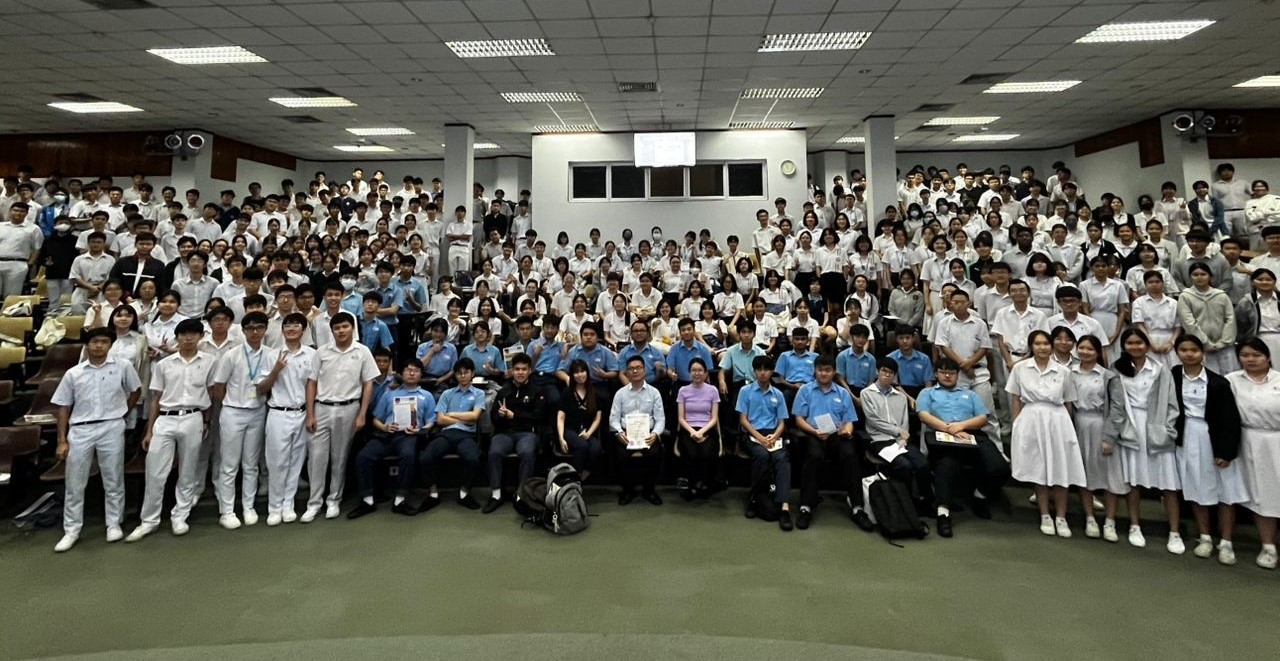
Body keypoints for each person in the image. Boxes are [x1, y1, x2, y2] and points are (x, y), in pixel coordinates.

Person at [50, 328, 142, 552]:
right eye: (94, 342)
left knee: (113, 478)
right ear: (87, 346)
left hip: (111, 426)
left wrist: (122, 412)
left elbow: (136, 391)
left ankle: (114, 524)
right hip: (80, 429)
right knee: (75, 482)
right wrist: (62, 440)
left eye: (104, 342)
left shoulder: (123, 366)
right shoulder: (74, 373)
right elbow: (63, 407)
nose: (99, 346)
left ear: (110, 345)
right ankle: (71, 530)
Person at [126, 319, 217, 542]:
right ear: (177, 337)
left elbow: (211, 393)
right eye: (183, 334)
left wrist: (206, 422)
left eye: (193, 334)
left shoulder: (209, 361)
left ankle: (180, 516)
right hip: (165, 420)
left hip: (194, 417)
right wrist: (149, 431)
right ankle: (149, 520)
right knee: (155, 472)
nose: (188, 338)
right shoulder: (164, 364)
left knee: (188, 471)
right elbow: (156, 399)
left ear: (200, 337)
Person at [1172, 334, 1248, 565]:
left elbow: (1230, 420)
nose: (1189, 354)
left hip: (1213, 438)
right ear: (1177, 353)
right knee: (1197, 489)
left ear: (1202, 353)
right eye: (1183, 350)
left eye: (1194, 350)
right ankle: (1204, 537)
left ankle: (1226, 542)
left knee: (1225, 491)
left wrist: (1225, 451)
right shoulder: (1174, 376)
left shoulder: (1218, 382)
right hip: (1187, 437)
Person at [1105, 329, 1182, 552]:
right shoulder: (1117, 370)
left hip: (1156, 426)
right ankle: (1134, 526)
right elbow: (1116, 405)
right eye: (1130, 343)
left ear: (1146, 345)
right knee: (1134, 481)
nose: (1135, 347)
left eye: (1139, 343)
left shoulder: (1160, 370)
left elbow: (1171, 402)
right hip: (1131, 428)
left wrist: (1168, 429)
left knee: (1169, 485)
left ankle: (1174, 532)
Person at [917, 357, 1011, 539]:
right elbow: (923, 415)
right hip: (942, 435)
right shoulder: (928, 393)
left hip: (971, 434)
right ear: (936, 374)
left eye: (951, 373)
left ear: (957, 375)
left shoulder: (970, 394)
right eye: (943, 372)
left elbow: (983, 418)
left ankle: (979, 496)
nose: (947, 375)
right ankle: (943, 513)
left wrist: (961, 426)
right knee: (947, 465)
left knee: (1000, 468)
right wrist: (949, 428)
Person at [1007, 330, 1086, 538]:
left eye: (1046, 343)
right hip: (1031, 418)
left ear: (1051, 346)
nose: (1042, 347)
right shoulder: (1020, 369)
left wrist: (1066, 426)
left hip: (1057, 420)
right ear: (1031, 346)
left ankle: (1061, 516)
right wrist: (1016, 425)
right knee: (1039, 469)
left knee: (1061, 470)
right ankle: (1045, 515)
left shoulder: (1063, 372)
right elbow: (1016, 399)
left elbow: (1068, 401)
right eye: (1037, 343)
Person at [303, 313, 379, 523]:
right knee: (317, 458)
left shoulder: (362, 351)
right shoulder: (321, 352)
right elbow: (311, 383)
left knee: (340, 458)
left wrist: (362, 414)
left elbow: (368, 383)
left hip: (349, 409)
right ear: (332, 330)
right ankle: (314, 503)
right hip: (322, 408)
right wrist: (310, 413)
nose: (341, 331)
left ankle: (333, 500)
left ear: (352, 328)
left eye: (345, 327)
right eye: (337, 328)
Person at [791, 355, 871, 531]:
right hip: (813, 433)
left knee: (850, 456)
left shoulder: (842, 393)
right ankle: (806, 507)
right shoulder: (805, 390)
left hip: (836, 434)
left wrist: (847, 430)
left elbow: (849, 420)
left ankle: (858, 508)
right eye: (820, 369)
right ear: (815, 370)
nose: (824, 373)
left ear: (834, 372)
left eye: (827, 370)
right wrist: (814, 431)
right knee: (814, 456)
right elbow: (799, 419)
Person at [349, 358, 436, 518]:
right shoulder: (390, 394)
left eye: (416, 371)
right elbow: (376, 419)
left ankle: (399, 500)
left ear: (421, 374)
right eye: (408, 370)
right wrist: (385, 427)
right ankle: (367, 501)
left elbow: (431, 421)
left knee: (408, 455)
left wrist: (420, 429)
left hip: (410, 435)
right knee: (363, 456)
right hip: (386, 434)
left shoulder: (427, 396)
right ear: (401, 373)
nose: (411, 373)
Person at [210, 312, 272, 530]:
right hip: (233, 412)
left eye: (259, 328)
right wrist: (230, 403)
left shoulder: (271, 355)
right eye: (250, 328)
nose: (255, 332)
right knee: (229, 464)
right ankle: (226, 510)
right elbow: (218, 386)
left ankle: (248, 506)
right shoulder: (232, 355)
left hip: (257, 412)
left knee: (251, 464)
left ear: (265, 330)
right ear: (243, 331)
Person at [1226, 338, 1280, 569]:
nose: (1250, 359)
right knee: (1262, 495)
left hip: (1276, 437)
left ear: (1268, 357)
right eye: (1245, 355)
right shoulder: (1231, 381)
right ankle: (1268, 546)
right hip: (1248, 442)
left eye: (1256, 355)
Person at [257, 312, 314, 525]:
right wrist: (276, 370)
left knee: (296, 461)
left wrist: (310, 415)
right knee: (276, 462)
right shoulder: (272, 355)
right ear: (282, 330)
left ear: (303, 330)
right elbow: (261, 389)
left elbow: (312, 386)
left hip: (301, 414)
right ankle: (274, 507)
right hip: (278, 413)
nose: (291, 329)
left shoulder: (310, 355)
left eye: (296, 325)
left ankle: (288, 504)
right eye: (287, 325)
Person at [1069, 335, 1124, 541]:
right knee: (1084, 473)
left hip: (1101, 424)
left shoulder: (1108, 376)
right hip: (1079, 425)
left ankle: (1110, 521)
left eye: (1090, 349)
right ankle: (1090, 517)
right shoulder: (1069, 374)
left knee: (1110, 475)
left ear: (1098, 352)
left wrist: (1109, 436)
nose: (1085, 352)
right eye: (1081, 348)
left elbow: (1117, 408)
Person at [861, 357, 933, 509]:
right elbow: (874, 421)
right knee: (904, 466)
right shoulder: (866, 393)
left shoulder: (900, 396)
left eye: (891, 373)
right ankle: (906, 504)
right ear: (877, 372)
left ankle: (926, 502)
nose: (887, 375)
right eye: (884, 371)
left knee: (923, 464)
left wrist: (903, 437)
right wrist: (898, 431)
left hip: (901, 440)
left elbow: (904, 420)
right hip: (879, 441)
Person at [417, 357, 486, 511]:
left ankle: (464, 493)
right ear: (455, 375)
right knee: (425, 457)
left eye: (466, 372)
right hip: (446, 434)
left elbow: (474, 417)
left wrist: (452, 414)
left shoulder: (479, 393)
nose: (463, 375)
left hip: (467, 435)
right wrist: (464, 417)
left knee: (473, 459)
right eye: (459, 373)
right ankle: (433, 493)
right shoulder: (447, 393)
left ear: (472, 373)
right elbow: (440, 419)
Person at [736, 355, 794, 531]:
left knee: (782, 457)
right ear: (754, 371)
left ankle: (784, 506)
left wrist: (775, 436)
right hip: (752, 434)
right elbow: (743, 419)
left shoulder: (778, 394)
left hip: (773, 435)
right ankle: (753, 498)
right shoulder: (745, 391)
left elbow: (782, 422)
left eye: (766, 369)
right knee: (761, 455)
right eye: (759, 369)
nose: (762, 373)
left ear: (771, 372)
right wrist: (759, 437)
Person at [484, 353, 544, 513]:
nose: (520, 372)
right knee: (494, 452)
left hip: (526, 433)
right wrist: (501, 415)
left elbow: (539, 417)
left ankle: (521, 495)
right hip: (505, 433)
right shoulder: (503, 391)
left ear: (530, 371)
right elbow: (494, 418)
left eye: (524, 369)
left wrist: (515, 416)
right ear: (512, 371)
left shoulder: (537, 391)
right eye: (517, 369)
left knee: (527, 452)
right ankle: (496, 494)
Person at [609, 356, 665, 505]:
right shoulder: (620, 393)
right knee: (619, 454)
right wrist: (619, 433)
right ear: (627, 372)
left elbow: (660, 419)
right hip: (626, 433)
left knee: (655, 453)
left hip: (648, 433)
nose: (635, 371)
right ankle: (628, 490)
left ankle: (649, 490)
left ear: (645, 370)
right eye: (631, 368)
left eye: (638, 367)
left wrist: (655, 434)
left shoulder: (654, 393)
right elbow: (613, 418)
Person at [1178, 262, 1237, 375]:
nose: (1199, 277)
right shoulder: (1185, 296)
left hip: (1224, 346)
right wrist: (1205, 342)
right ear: (1190, 277)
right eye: (1195, 274)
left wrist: (1223, 342)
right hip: (1200, 347)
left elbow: (1230, 319)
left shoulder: (1221, 295)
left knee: (1229, 376)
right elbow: (1189, 322)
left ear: (1210, 276)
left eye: (1203, 274)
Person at [675, 357, 720, 501]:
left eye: (700, 370)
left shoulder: (713, 390)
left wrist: (701, 432)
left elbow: (714, 418)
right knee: (691, 453)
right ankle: (692, 485)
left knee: (707, 453)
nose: (697, 373)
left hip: (707, 427)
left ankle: (704, 484)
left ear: (706, 373)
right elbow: (681, 418)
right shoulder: (683, 391)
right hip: (688, 428)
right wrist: (693, 432)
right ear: (689, 373)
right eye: (694, 370)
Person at [557, 359, 603, 480]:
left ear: (587, 373)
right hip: (571, 430)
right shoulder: (567, 393)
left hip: (589, 430)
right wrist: (561, 438)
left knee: (596, 448)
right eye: (576, 372)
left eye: (582, 371)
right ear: (572, 375)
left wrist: (589, 433)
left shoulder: (595, 393)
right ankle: (573, 477)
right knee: (582, 446)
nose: (580, 374)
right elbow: (561, 417)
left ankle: (584, 473)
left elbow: (597, 418)